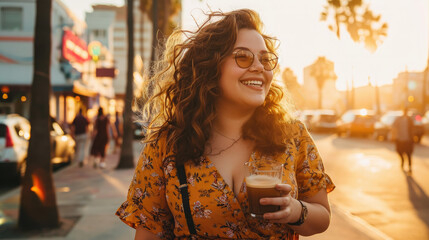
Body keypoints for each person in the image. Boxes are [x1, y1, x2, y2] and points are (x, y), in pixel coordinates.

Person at [116, 9, 335, 239]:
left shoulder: (293, 136)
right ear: (211, 66)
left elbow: (323, 215)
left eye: (265, 59)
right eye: (243, 57)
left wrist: (295, 211)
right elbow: (148, 234)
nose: (259, 67)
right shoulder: (167, 144)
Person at [392, 108, 414, 174]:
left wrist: (412, 138)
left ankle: (409, 167)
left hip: (408, 140)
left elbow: (412, 129)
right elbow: (394, 127)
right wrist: (394, 136)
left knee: (409, 154)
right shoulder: (399, 119)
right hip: (400, 139)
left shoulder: (409, 120)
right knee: (399, 151)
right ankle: (402, 160)